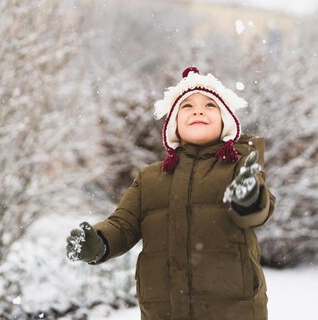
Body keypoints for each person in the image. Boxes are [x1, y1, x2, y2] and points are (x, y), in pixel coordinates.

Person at [66, 66, 276, 320]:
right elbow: (123, 225)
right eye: (187, 106)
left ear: (226, 121)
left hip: (232, 310)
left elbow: (256, 214)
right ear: (174, 123)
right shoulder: (151, 178)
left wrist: (248, 196)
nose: (198, 110)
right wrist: (99, 242)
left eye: (210, 105)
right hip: (164, 311)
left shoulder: (239, 168)